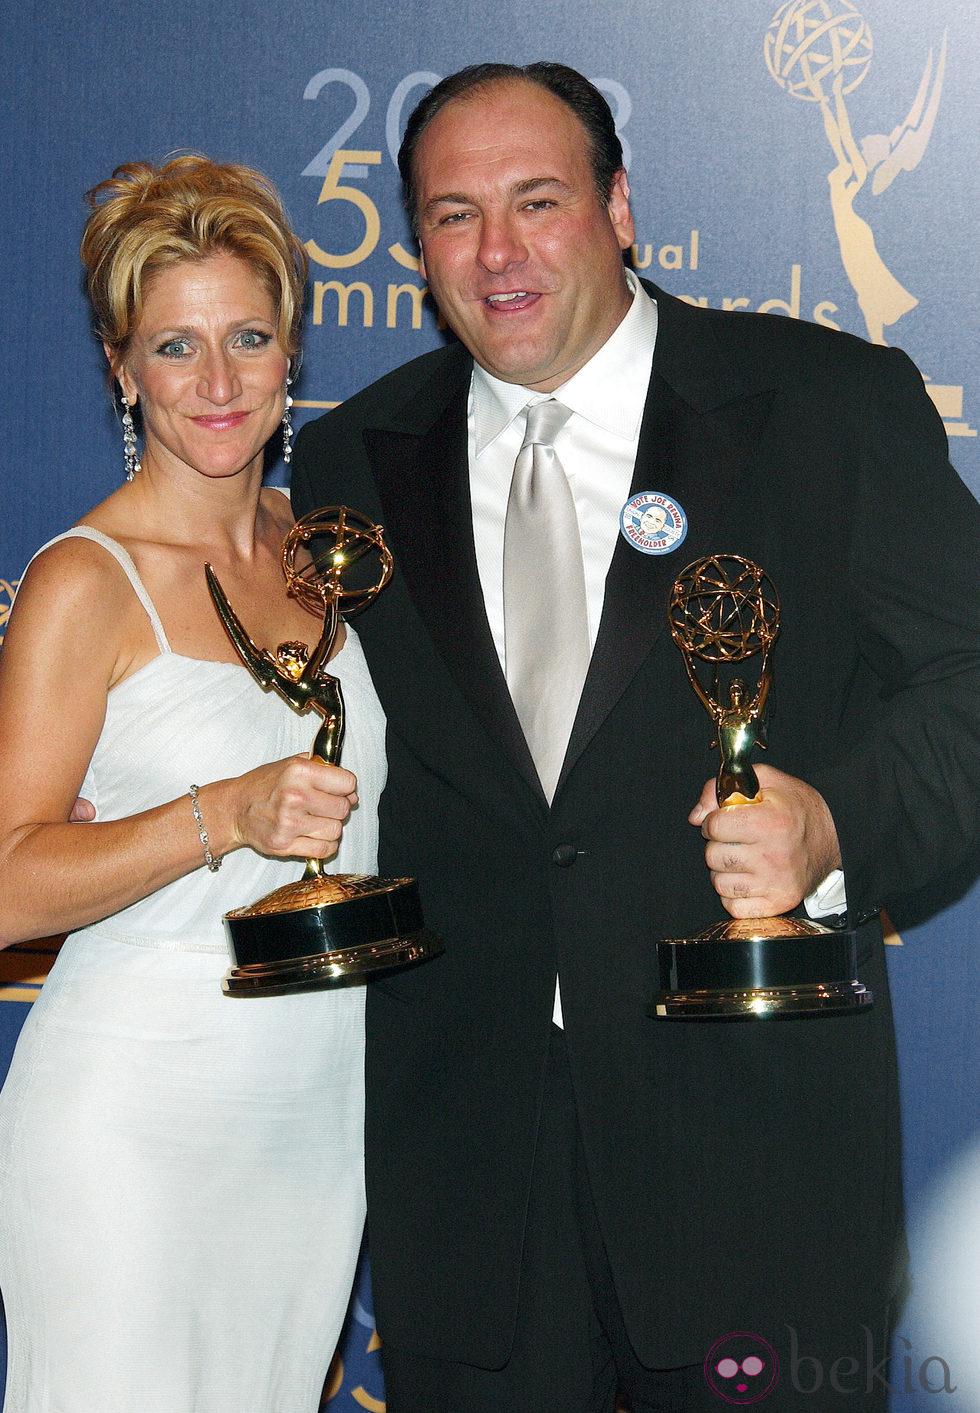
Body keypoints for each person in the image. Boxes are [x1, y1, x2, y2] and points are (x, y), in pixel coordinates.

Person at [289, 62, 980, 1413]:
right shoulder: (354, 460)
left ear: (618, 208)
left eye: (537, 202)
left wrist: (834, 824)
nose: (497, 253)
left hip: (758, 1173)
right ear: (415, 242)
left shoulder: (826, 405)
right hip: (470, 1204)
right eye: (451, 214)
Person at [0, 156, 384, 1412]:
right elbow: (6, 888)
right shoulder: (82, 581)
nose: (218, 385)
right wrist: (221, 815)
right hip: (134, 1122)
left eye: (248, 337)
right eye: (175, 346)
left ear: (291, 353)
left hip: (315, 1119)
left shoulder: (325, 554)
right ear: (122, 367)